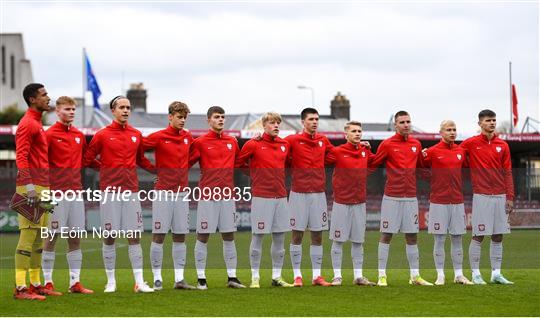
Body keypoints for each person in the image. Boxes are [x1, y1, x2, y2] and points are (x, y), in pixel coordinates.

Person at [84, 95, 155, 293]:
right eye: (121, 107)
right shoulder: (102, 134)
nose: (125, 111)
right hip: (109, 192)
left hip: (131, 192)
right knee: (109, 236)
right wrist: (105, 169)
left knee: (134, 236)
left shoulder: (136, 134)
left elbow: (141, 160)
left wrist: (159, 171)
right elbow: (88, 159)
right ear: (113, 111)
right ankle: (111, 282)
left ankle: (139, 282)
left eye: (128, 107)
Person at [370, 110, 432, 286]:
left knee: (412, 237)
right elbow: (374, 163)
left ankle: (415, 276)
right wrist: (362, 151)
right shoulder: (387, 144)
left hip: (411, 197)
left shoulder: (416, 144)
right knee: (386, 235)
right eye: (402, 122)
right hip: (391, 197)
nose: (406, 125)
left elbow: (421, 167)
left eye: (408, 121)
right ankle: (382, 275)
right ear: (395, 125)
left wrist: (436, 168)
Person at [41, 96, 94, 294]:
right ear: (57, 111)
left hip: (75, 194)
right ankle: (47, 283)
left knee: (75, 238)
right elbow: (41, 163)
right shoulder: (48, 134)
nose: (71, 112)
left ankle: (75, 283)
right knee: (51, 237)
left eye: (73, 109)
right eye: (67, 109)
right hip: (54, 194)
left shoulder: (79, 136)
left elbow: (86, 161)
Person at [235, 112, 294, 288]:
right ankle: (255, 277)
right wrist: (254, 174)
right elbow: (238, 163)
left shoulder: (285, 144)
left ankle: (277, 277)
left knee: (280, 238)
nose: (276, 126)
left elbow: (290, 163)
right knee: (258, 237)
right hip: (262, 197)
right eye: (272, 123)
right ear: (264, 125)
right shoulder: (253, 144)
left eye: (278, 123)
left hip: (281, 197)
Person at [189, 106, 245, 289]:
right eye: (216, 117)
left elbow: (240, 162)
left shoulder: (232, 141)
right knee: (203, 235)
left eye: (222, 117)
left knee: (229, 235)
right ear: (208, 120)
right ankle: (201, 279)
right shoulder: (200, 142)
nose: (221, 120)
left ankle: (232, 277)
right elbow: (185, 163)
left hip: (227, 195)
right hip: (208, 195)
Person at [143, 101, 195, 290]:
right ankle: (157, 278)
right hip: (163, 193)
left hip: (182, 193)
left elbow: (195, 155)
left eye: (184, 117)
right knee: (159, 235)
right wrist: (153, 171)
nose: (182, 120)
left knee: (180, 235)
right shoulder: (158, 137)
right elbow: (136, 152)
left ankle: (179, 280)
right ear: (170, 117)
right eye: (179, 117)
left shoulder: (188, 137)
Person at [460, 109, 514, 285]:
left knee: (498, 235)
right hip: (481, 196)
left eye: (494, 120)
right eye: (489, 120)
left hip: (500, 196)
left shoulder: (503, 145)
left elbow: (507, 172)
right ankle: (475, 274)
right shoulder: (470, 144)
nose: (492, 123)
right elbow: (454, 154)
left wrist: (510, 196)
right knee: (479, 235)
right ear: (480, 124)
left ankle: (496, 274)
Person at [13, 83, 55, 300]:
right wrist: (29, 187)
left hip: (43, 186)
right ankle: (20, 289)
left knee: (40, 237)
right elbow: (21, 156)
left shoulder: (37, 123)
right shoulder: (27, 124)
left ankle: (36, 284)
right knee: (28, 236)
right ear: (32, 99)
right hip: (31, 187)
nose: (48, 97)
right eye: (44, 95)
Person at [285, 107, 333, 287]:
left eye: (316, 119)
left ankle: (316, 276)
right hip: (298, 193)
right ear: (303, 122)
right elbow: (277, 148)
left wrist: (360, 146)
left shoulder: (323, 141)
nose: (314, 122)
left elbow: (334, 156)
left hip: (318, 194)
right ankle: (297, 276)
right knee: (297, 235)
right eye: (311, 119)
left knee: (317, 235)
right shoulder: (292, 140)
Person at [420, 120, 473, 285]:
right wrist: (433, 179)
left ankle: (459, 275)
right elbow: (419, 167)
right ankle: (440, 275)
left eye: (454, 129)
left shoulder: (460, 151)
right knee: (440, 239)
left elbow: (467, 169)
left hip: (457, 201)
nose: (452, 132)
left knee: (457, 238)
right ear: (441, 132)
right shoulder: (432, 152)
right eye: (448, 130)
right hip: (438, 202)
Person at [325, 121, 376, 286]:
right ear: (345, 134)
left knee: (358, 241)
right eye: (354, 131)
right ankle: (337, 276)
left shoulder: (365, 151)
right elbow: (319, 159)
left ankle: (358, 276)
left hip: (360, 202)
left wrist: (368, 149)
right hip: (341, 203)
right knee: (338, 240)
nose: (357, 134)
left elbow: (376, 163)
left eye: (359, 131)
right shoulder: (337, 152)